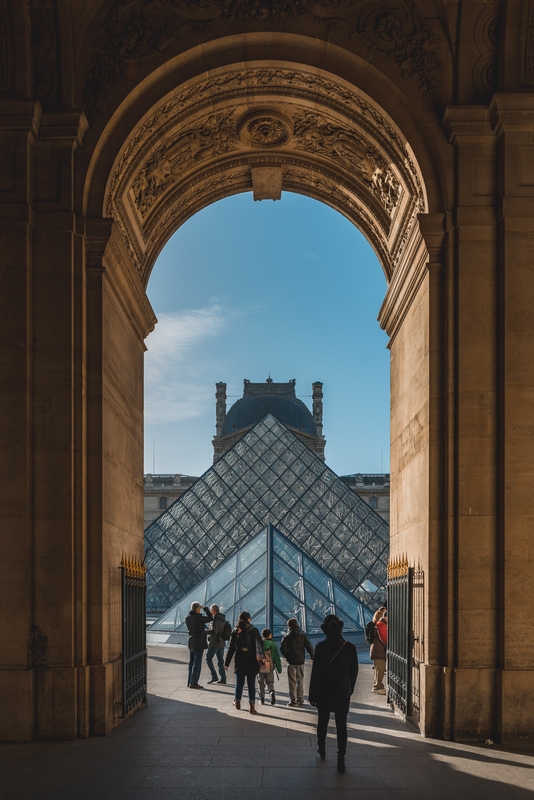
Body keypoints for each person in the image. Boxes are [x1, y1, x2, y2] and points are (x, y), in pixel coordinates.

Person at [308, 614, 359, 773]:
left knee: (322, 721)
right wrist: (349, 689)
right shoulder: (350, 647)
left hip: (324, 690)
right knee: (341, 725)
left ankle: (321, 749)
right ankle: (341, 757)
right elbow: (354, 672)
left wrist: (312, 693)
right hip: (342, 691)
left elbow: (315, 673)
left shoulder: (321, 647)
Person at [224, 611, 263, 714]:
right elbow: (261, 644)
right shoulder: (254, 630)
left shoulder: (235, 631)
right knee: (251, 684)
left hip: (240, 660)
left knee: (239, 683)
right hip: (252, 661)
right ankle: (252, 706)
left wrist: (227, 662)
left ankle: (237, 702)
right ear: (248, 619)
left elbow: (231, 648)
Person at [280, 617, 314, 706]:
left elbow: (282, 649)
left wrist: (287, 656)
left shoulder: (286, 637)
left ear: (289, 626)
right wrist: (312, 656)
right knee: (300, 680)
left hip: (291, 661)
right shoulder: (303, 636)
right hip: (301, 660)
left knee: (292, 681)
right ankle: (300, 698)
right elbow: (309, 646)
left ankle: (293, 700)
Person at [185, 602, 213, 689]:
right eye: (199, 609)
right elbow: (210, 617)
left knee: (191, 662)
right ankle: (194, 683)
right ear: (197, 609)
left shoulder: (187, 618)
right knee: (197, 663)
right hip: (199, 643)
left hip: (191, 642)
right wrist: (205, 609)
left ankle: (189, 681)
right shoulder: (199, 618)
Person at [258, 628, 282, 705]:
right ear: (269, 635)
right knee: (270, 682)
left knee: (260, 682)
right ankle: (271, 692)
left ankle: (262, 699)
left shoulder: (259, 644)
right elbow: (276, 658)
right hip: (270, 666)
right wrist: (279, 668)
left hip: (260, 666)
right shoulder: (273, 645)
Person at [205, 603, 228, 685]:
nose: (210, 611)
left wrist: (206, 630)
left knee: (208, 659)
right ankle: (223, 678)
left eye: (211, 610)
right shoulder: (223, 619)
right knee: (220, 661)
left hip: (214, 643)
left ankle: (214, 676)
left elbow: (214, 631)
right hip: (222, 643)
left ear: (213, 611)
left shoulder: (214, 620)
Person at [370, 609, 387, 695]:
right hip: (379, 650)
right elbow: (384, 638)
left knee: (379, 669)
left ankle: (377, 686)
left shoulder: (379, 623)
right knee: (379, 669)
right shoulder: (381, 624)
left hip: (378, 649)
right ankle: (378, 687)